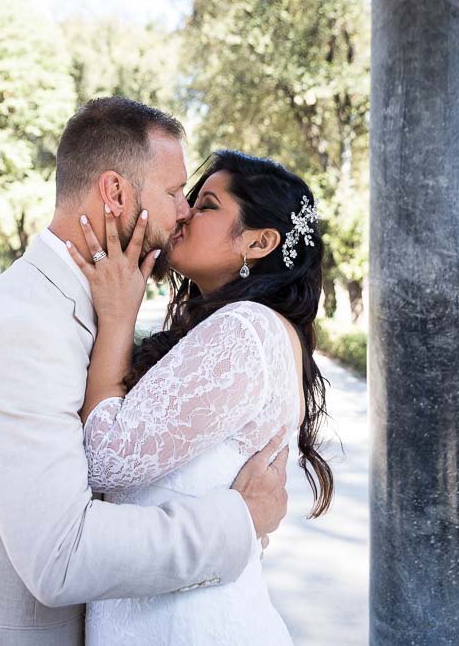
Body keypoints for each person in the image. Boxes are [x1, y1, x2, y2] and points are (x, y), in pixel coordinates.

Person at [0, 99, 290, 646]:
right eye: (171, 192)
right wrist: (239, 520)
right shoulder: (21, 332)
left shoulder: (91, 302)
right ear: (115, 193)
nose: (183, 212)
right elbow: (61, 557)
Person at [65, 149, 335, 644]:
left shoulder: (244, 329)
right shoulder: (246, 328)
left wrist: (118, 317)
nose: (184, 213)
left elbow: (102, 458)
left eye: (207, 205)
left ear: (259, 241)